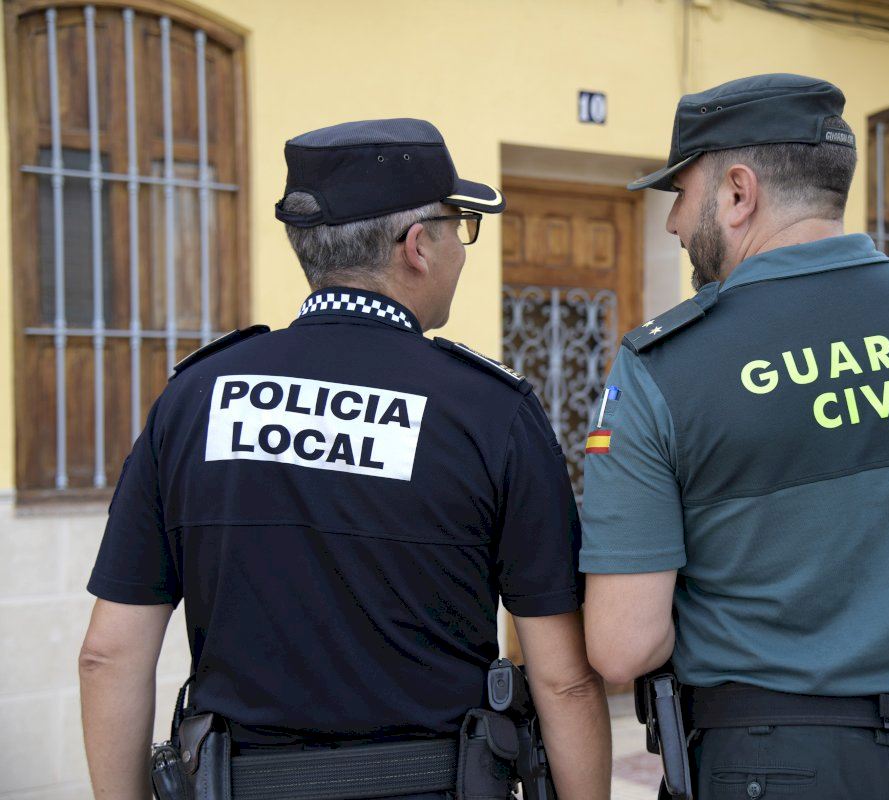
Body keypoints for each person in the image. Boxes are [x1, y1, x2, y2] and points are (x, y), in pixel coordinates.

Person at [580, 74, 889, 799]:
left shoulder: (668, 366)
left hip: (767, 768)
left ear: (737, 192)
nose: (670, 224)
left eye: (680, 194)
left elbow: (624, 647)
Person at [79, 118, 610, 800]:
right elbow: (562, 678)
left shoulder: (194, 399)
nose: (462, 250)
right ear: (418, 245)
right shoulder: (489, 410)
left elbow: (107, 656)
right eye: (460, 227)